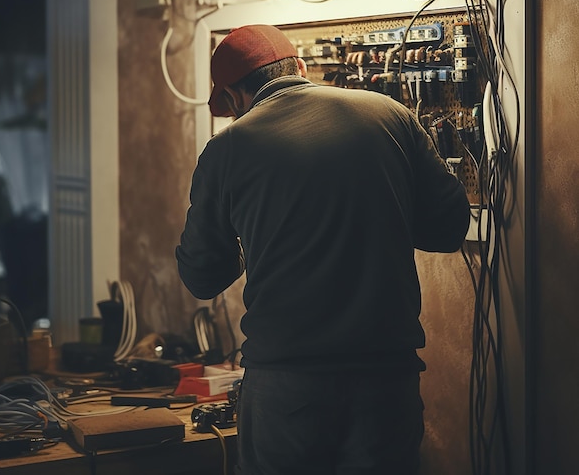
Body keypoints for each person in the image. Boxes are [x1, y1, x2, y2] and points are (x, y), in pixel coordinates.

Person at [176, 24, 471, 475]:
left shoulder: (227, 148)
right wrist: (376, 219)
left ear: (234, 97)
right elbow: (450, 228)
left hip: (287, 385)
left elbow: (202, 277)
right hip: (386, 380)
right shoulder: (389, 113)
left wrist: (252, 239)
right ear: (301, 67)